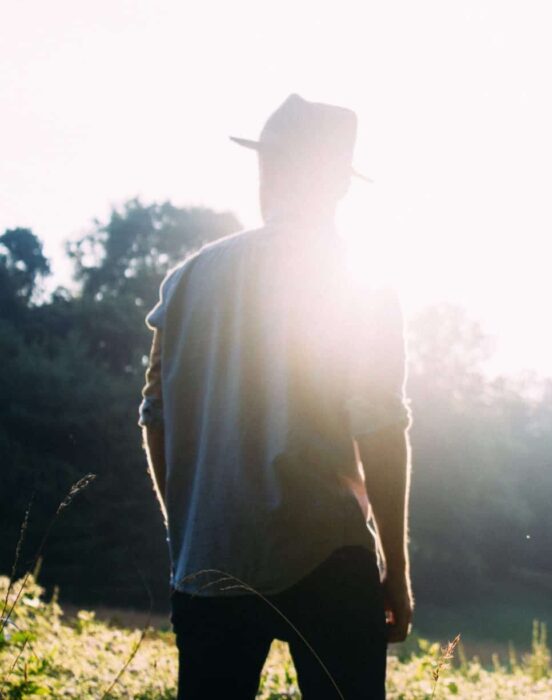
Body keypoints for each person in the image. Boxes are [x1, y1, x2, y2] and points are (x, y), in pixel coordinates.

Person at [139, 94, 413, 699]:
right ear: (339, 184)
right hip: (327, 555)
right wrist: (395, 569)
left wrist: (184, 532)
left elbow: (155, 418)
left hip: (210, 561)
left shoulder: (187, 280)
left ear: (271, 169)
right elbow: (380, 428)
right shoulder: (358, 279)